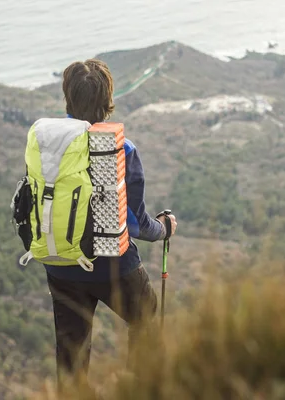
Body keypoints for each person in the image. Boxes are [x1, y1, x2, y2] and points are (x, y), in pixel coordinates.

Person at [44, 59, 178, 386]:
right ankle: (137, 390)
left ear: (68, 98)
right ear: (107, 101)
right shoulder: (122, 149)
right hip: (111, 263)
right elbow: (137, 224)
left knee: (71, 352)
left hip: (60, 260)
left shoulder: (48, 143)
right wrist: (164, 228)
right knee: (144, 315)